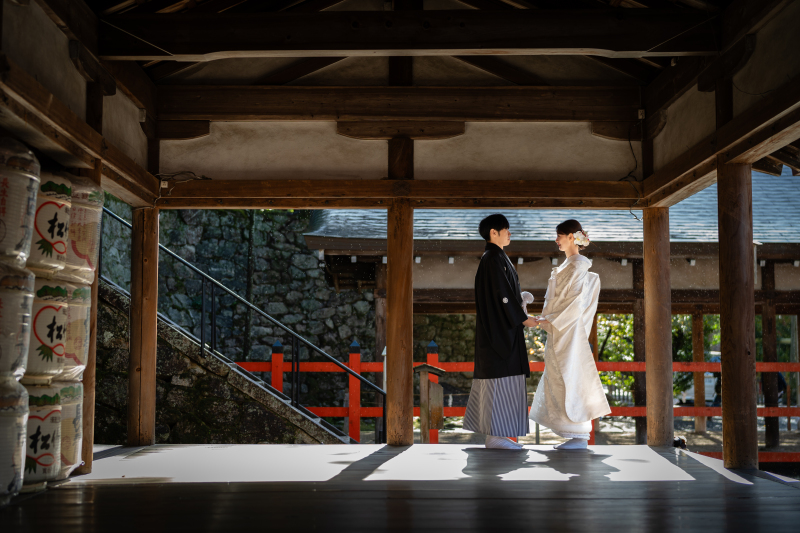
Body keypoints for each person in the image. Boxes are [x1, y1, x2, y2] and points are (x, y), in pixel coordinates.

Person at [529, 220, 611, 450]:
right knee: (558, 377)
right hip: (559, 330)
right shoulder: (568, 265)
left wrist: (550, 319)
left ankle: (579, 434)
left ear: (572, 237)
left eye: (560, 235)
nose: (556, 240)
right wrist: (548, 318)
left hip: (568, 331)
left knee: (570, 376)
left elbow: (574, 303)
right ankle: (572, 433)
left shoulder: (577, 267)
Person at [463, 214, 539, 450]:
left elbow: (505, 295)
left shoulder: (496, 258)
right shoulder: (493, 258)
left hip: (502, 331)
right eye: (506, 229)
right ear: (493, 233)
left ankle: (500, 435)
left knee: (503, 381)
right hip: (499, 335)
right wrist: (523, 318)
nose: (509, 233)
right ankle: (496, 435)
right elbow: (502, 296)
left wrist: (520, 306)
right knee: (500, 380)